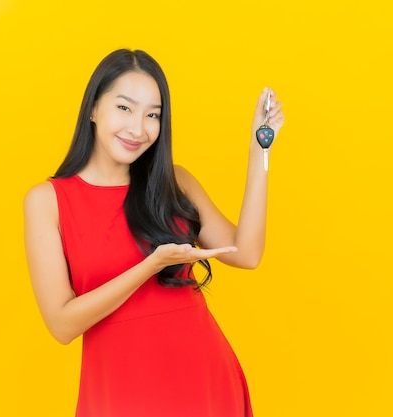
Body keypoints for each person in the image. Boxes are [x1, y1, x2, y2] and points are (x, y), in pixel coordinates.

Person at [23, 48, 284, 417]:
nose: (138, 128)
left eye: (153, 115)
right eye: (125, 108)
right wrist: (151, 265)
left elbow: (246, 253)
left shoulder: (174, 182)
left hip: (203, 383)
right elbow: (63, 325)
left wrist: (260, 151)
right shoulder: (47, 200)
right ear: (93, 109)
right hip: (118, 392)